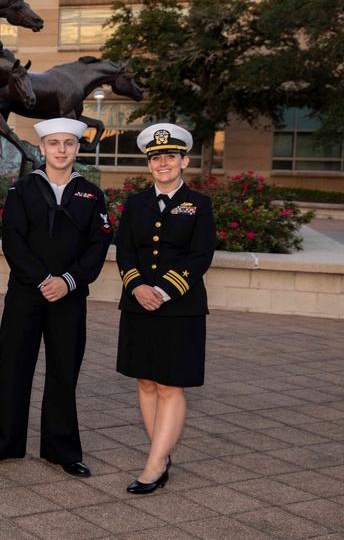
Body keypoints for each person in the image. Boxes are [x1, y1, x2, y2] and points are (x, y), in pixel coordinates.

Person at [0, 117, 112, 477]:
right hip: (26, 293)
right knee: (14, 367)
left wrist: (68, 281)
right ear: (42, 149)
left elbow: (98, 245)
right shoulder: (22, 190)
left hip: (70, 295)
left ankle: (62, 450)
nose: (62, 150)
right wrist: (43, 280)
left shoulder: (92, 194)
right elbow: (13, 242)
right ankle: (0, 445)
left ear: (77, 149)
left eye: (69, 143)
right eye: (54, 144)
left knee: (64, 372)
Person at [115, 123, 216, 494]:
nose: (163, 163)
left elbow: (201, 254)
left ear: (183, 160)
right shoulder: (135, 203)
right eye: (156, 157)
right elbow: (125, 250)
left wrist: (163, 289)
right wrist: (138, 286)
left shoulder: (199, 204)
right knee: (145, 380)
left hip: (181, 307)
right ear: (150, 164)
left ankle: (155, 464)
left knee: (170, 385)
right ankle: (162, 452)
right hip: (138, 304)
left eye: (170, 156)